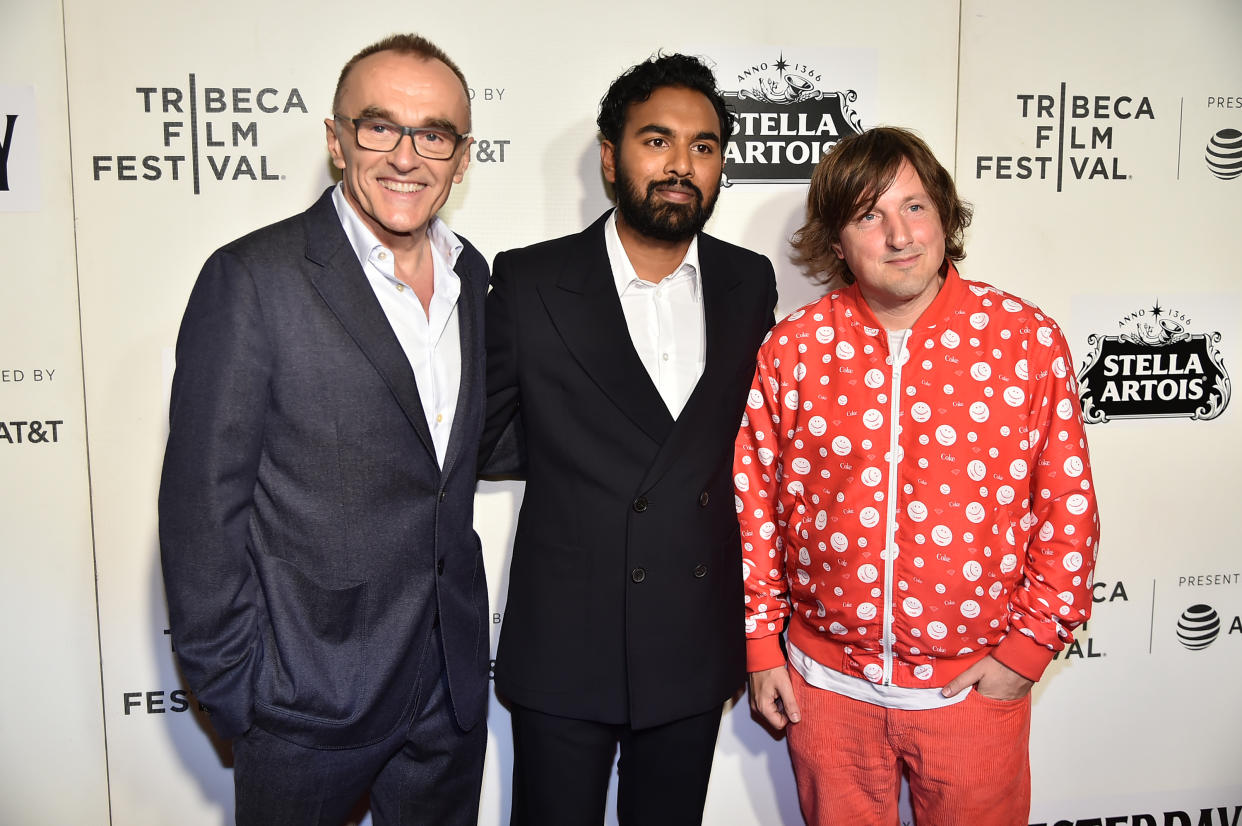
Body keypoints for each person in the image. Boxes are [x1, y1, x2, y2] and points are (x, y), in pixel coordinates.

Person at [159, 33, 491, 826]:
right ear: (337, 140)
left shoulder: (474, 276)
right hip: (304, 701)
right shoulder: (253, 279)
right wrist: (241, 691)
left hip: (448, 695)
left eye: (434, 134)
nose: (406, 156)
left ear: (462, 155)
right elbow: (202, 508)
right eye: (379, 127)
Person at [736, 126, 1099, 826]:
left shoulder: (1023, 340)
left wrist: (1026, 652)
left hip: (970, 696)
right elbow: (755, 505)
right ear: (837, 242)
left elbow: (1067, 506)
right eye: (869, 215)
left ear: (943, 217)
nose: (899, 235)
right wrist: (760, 644)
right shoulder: (795, 348)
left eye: (915, 206)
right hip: (827, 695)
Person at [482, 53, 777, 826]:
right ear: (612, 158)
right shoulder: (531, 281)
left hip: (691, 637)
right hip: (565, 645)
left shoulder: (751, 285)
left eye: (704, 148)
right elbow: (478, 439)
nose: (682, 165)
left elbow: (757, 447)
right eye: (658, 141)